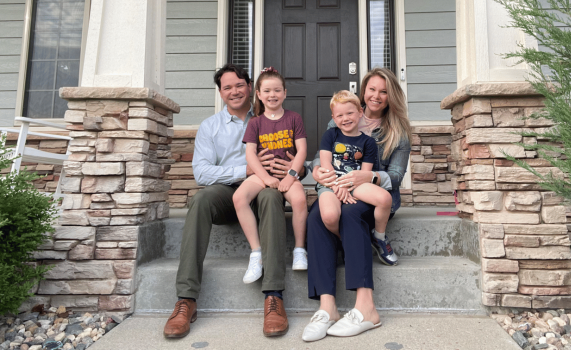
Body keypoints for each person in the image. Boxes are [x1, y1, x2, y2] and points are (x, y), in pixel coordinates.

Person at [163, 64, 305, 339]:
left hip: (267, 188)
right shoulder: (210, 127)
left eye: (239, 85)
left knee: (270, 196)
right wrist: (247, 169)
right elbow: (202, 173)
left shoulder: (270, 114)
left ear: (250, 87)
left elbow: (299, 157)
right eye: (227, 87)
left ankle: (273, 296)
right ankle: (186, 299)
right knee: (201, 199)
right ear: (220, 92)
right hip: (229, 194)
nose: (234, 91)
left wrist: (296, 169)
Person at [301, 68, 410, 342]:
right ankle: (327, 308)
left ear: (391, 96)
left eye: (383, 91)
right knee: (315, 217)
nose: (376, 96)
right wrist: (318, 172)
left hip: (371, 194)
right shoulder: (340, 120)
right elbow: (320, 157)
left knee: (350, 215)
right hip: (339, 187)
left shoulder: (398, 132)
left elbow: (395, 177)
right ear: (363, 92)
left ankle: (366, 308)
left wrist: (370, 175)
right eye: (372, 89)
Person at [233, 67, 309, 284]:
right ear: (258, 94)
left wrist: (291, 176)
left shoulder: (294, 118)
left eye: (277, 90)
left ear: (285, 92)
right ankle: (256, 253)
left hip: (287, 173)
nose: (272, 95)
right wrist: (265, 177)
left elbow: (302, 150)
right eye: (267, 91)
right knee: (239, 198)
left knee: (300, 200)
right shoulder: (255, 123)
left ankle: (299, 249)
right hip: (262, 174)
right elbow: (250, 153)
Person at [317, 90, 391, 239]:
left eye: (350, 113)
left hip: (355, 185)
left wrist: (348, 186)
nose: (345, 118)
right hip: (331, 184)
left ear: (360, 112)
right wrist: (337, 186)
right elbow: (325, 166)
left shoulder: (368, 142)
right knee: (330, 216)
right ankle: (341, 238)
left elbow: (364, 173)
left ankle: (379, 236)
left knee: (385, 199)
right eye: (340, 115)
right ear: (334, 118)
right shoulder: (330, 135)